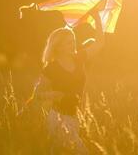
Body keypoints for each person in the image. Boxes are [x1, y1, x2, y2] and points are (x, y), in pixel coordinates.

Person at [32, 8, 104, 154]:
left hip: (75, 117)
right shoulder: (51, 68)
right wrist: (56, 95)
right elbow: (37, 94)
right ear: (58, 46)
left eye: (73, 41)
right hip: (59, 118)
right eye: (68, 43)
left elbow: (100, 43)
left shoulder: (78, 58)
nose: (73, 45)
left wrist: (97, 19)